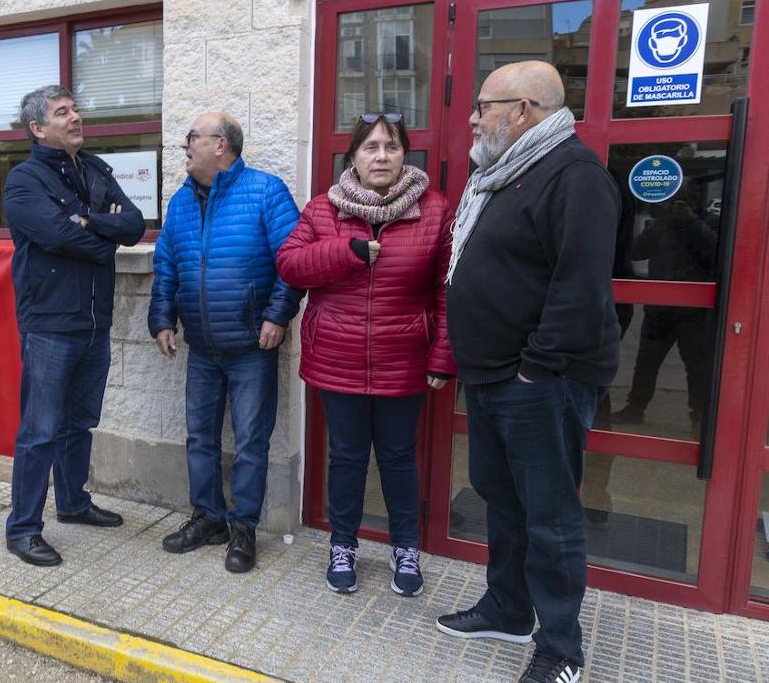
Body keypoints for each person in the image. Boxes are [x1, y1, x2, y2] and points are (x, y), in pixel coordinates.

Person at [438, 61, 620, 683]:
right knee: (502, 498)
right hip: (492, 375)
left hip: (541, 380)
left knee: (550, 515)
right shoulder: (501, 174)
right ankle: (509, 609)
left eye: (483, 106)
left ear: (522, 110)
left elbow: (581, 287)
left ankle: (561, 650)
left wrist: (535, 370)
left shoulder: (574, 174)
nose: (472, 118)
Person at [276, 112, 454, 597]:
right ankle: (343, 545)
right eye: (371, 147)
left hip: (405, 358)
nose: (381, 156)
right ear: (352, 156)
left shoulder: (435, 210)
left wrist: (443, 353)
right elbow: (289, 265)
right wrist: (346, 252)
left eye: (391, 147)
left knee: (398, 458)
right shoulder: (323, 209)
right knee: (347, 457)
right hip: (337, 358)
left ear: (405, 155)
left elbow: (448, 289)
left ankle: (406, 548)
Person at [148, 112, 301, 574]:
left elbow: (292, 263)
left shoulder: (266, 191)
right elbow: (167, 265)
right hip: (202, 347)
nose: (184, 145)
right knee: (200, 436)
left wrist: (277, 315)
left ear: (220, 145)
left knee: (251, 441)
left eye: (191, 137)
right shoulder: (180, 201)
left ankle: (244, 528)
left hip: (252, 346)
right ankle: (208, 518)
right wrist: (162, 319)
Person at [2, 85, 145, 567]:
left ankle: (73, 503)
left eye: (76, 109)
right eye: (62, 112)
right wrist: (98, 231)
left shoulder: (96, 170)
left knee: (80, 422)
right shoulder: (24, 180)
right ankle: (23, 529)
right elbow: (57, 235)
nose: (76, 117)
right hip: (50, 324)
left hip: (94, 322)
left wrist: (89, 222)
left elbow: (135, 225)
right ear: (38, 128)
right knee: (40, 430)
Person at [611, 180, 717, 438]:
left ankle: (698, 417)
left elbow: (716, 256)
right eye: (674, 200)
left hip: (694, 311)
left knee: (697, 367)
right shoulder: (662, 225)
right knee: (646, 364)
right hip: (660, 309)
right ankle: (635, 408)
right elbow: (634, 253)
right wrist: (658, 227)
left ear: (695, 200)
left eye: (685, 199)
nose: (679, 204)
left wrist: (692, 223)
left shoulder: (708, 222)